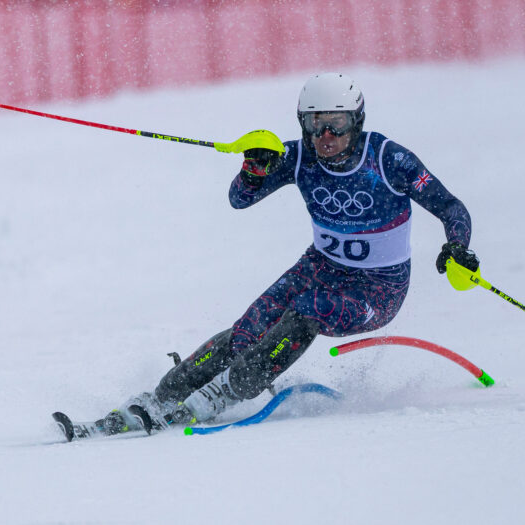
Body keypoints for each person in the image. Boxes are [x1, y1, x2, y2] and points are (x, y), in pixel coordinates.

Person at [99, 72, 479, 433]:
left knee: (309, 308)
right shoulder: (299, 157)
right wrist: (253, 170)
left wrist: (458, 246)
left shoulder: (388, 159)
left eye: (337, 124)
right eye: (315, 124)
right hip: (321, 267)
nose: (326, 135)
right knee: (246, 331)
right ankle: (160, 398)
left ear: (357, 122)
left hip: (377, 289)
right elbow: (239, 200)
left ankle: (221, 394)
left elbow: (451, 207)